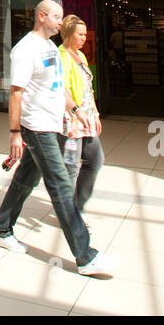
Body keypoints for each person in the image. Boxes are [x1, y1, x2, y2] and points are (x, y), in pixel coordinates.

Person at [0, 0, 118, 277]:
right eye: (57, 17)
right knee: (60, 185)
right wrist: (14, 133)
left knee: (26, 178)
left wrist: (74, 109)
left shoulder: (50, 47)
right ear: (42, 16)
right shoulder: (25, 50)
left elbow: (56, 87)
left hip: (52, 124)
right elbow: (16, 93)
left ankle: (1, 229)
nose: (61, 22)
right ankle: (85, 256)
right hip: (36, 128)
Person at [58, 14, 103, 215]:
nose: (85, 38)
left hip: (86, 117)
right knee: (71, 167)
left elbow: (87, 88)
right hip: (71, 120)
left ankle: (78, 204)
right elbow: (62, 87)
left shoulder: (80, 55)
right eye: (80, 34)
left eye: (85, 34)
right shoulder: (62, 55)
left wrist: (95, 113)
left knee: (95, 159)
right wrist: (76, 110)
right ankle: (69, 212)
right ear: (68, 34)